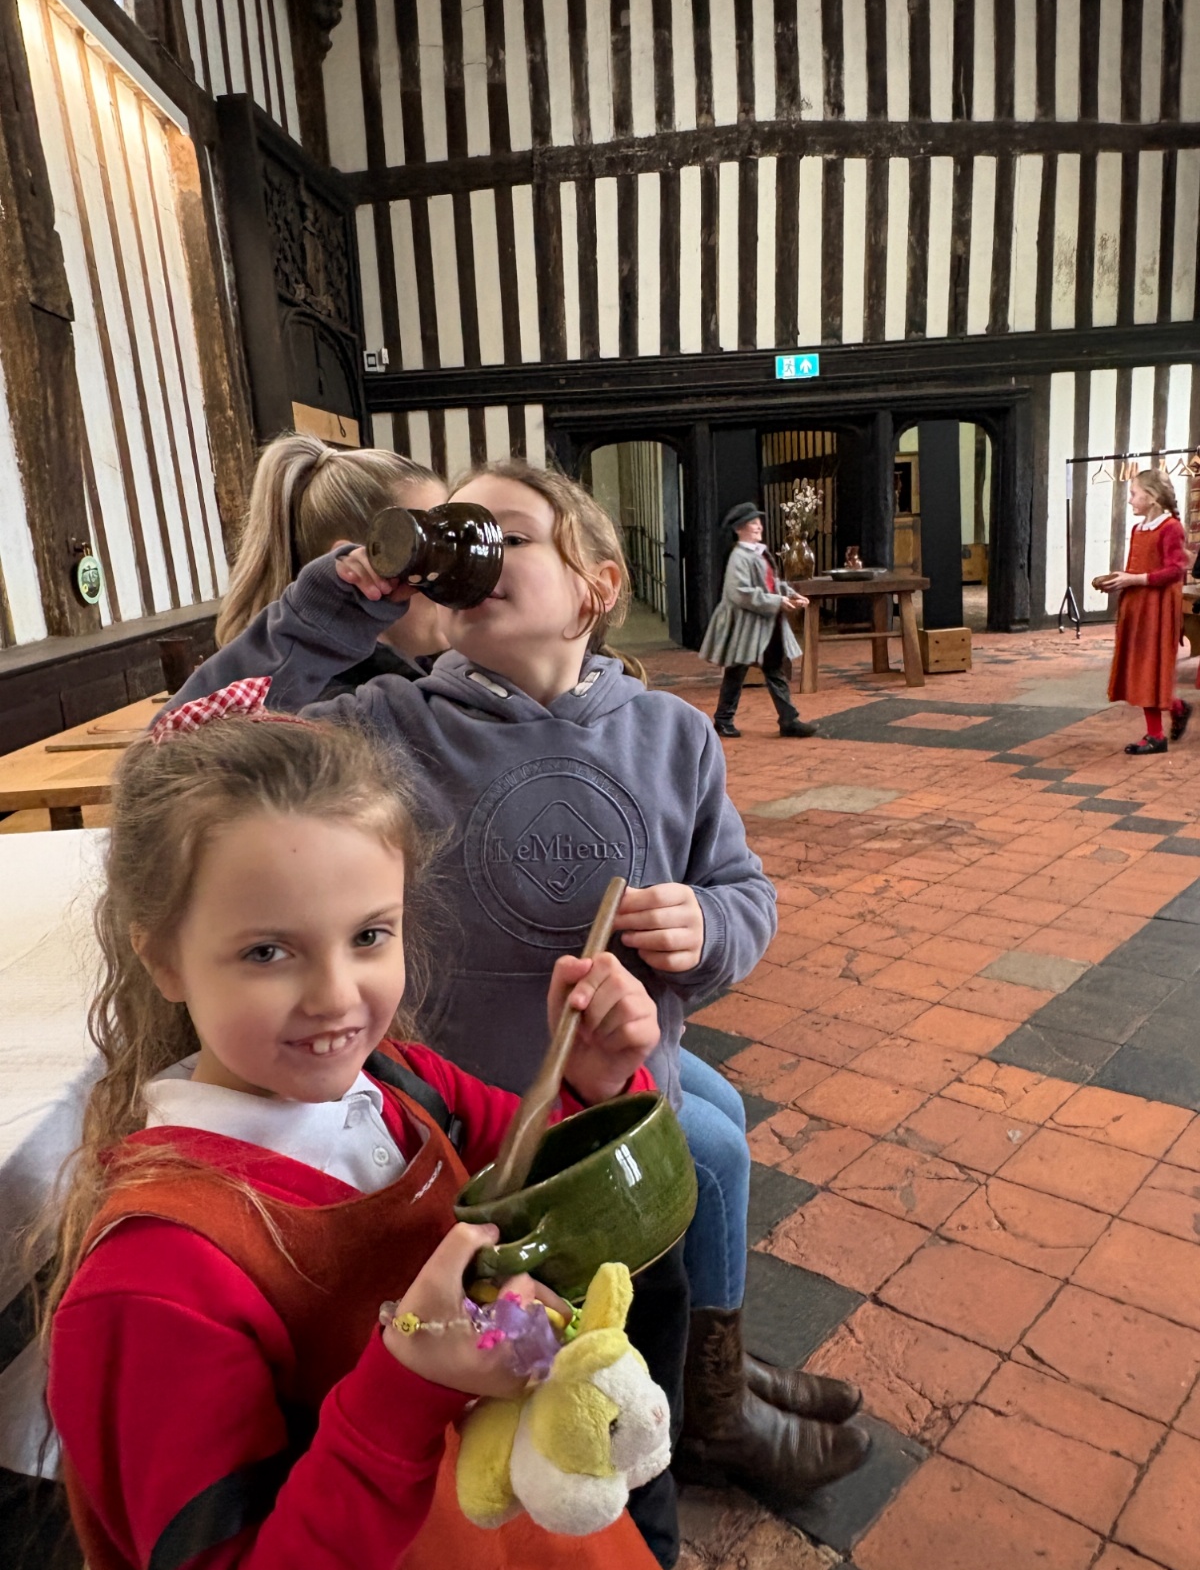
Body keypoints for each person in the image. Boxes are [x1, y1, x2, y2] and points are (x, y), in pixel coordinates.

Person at [166, 458, 870, 1503]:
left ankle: (696, 1405)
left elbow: (743, 889)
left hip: (620, 1118)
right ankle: (623, 1479)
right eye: (458, 532)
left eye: (507, 532)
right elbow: (185, 759)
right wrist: (336, 608)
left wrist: (710, 924)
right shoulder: (391, 726)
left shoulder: (673, 734)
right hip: (473, 1147)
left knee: (638, 1354)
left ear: (597, 583)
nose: (473, 551)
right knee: (529, 1396)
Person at [45, 699, 676, 1570]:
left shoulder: (400, 1089)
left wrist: (596, 1087)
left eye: (370, 935)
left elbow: (546, 1198)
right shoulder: (155, 1284)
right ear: (165, 960)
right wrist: (407, 1382)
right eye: (268, 952)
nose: (337, 996)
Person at [216, 432, 450, 693]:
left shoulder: (417, 674)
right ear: (357, 567)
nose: (452, 572)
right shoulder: (343, 710)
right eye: (427, 551)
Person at [700, 503, 816, 740]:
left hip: (765, 623)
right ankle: (723, 719)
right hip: (744, 625)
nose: (758, 527)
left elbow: (771, 582)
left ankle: (788, 720)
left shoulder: (759, 553)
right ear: (739, 529)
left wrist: (791, 594)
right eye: (752, 523)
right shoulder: (739, 557)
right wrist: (777, 600)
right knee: (736, 671)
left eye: (758, 522)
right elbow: (739, 593)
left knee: (774, 669)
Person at [1096, 470, 1192, 754]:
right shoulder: (1139, 529)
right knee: (1139, 667)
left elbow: (1176, 570)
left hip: (1158, 608)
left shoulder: (1171, 527)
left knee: (1151, 666)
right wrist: (1117, 580)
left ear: (1152, 497)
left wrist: (1134, 580)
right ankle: (1176, 707)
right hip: (1138, 605)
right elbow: (1136, 568)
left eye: (1134, 494)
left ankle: (1156, 736)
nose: (1130, 500)